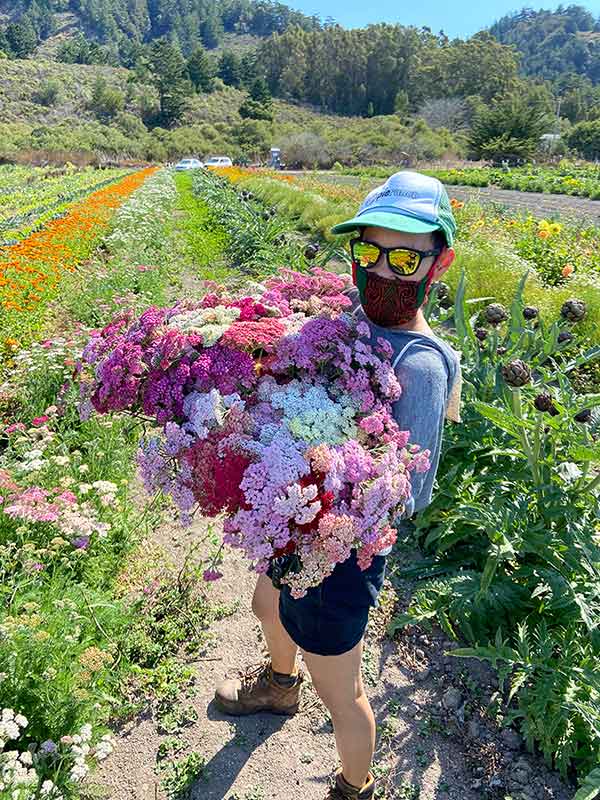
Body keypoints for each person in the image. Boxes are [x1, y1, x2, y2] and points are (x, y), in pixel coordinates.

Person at [214, 171, 462, 800]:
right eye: (369, 253)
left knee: (343, 695)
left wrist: (329, 479)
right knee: (266, 605)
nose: (381, 272)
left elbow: (412, 493)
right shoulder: (355, 321)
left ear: (439, 264)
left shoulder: (422, 366)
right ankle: (278, 684)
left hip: (341, 553)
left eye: (404, 257)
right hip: (294, 527)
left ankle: (355, 785)